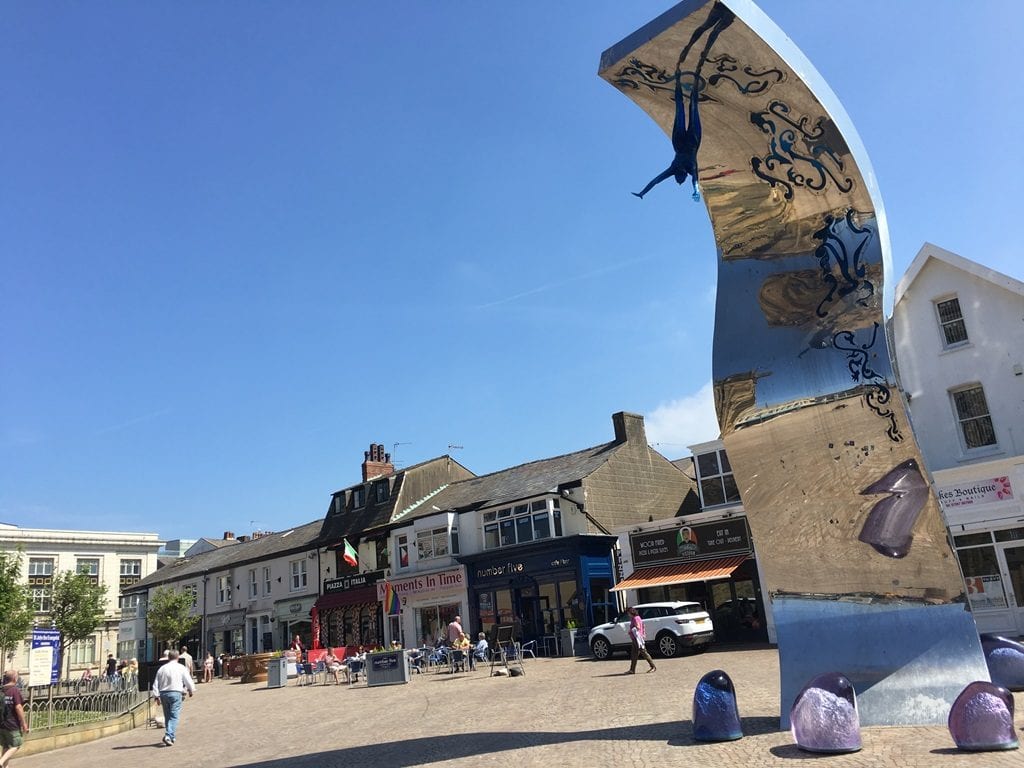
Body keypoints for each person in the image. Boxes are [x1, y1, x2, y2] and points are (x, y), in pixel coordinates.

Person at [152, 649, 195, 747]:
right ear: (178, 657)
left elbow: (156, 683)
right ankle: (168, 735)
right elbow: (187, 679)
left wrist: (156, 695)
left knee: (168, 716)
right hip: (175, 692)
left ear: (168, 657)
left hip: (163, 693)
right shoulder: (180, 667)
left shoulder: (162, 668)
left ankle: (171, 736)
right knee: (174, 716)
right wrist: (191, 689)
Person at [0, 670, 29, 767]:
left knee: (6, 746)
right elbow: (18, 707)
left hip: (2, 725)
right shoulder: (14, 690)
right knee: (17, 744)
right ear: (15, 678)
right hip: (12, 724)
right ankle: (1, 761)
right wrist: (24, 723)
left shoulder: (1, 690)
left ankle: (5, 766)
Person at [626, 607, 656, 675]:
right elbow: (643, 626)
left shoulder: (635, 618)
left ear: (631, 613)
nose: (628, 615)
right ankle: (632, 669)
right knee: (634, 654)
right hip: (635, 639)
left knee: (644, 652)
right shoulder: (637, 618)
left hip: (637, 639)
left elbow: (638, 627)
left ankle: (653, 666)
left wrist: (630, 630)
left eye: (628, 613)